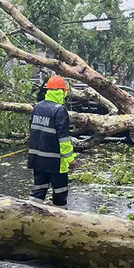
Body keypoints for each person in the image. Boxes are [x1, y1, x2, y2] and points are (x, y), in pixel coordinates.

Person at [27, 75, 77, 209]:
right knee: (60, 192)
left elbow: (34, 132)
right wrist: (70, 159)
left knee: (39, 190)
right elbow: (64, 139)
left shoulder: (37, 107)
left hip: (37, 159)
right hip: (55, 161)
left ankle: (28, 217)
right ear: (62, 91)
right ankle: (60, 221)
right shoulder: (59, 110)